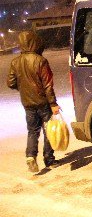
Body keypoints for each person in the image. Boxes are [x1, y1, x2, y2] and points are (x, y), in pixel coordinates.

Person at [6, 31, 61, 173]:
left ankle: (30, 156)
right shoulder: (40, 61)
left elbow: (10, 83)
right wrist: (53, 104)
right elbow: (47, 85)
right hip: (43, 103)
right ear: (35, 42)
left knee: (32, 131)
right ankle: (49, 160)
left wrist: (24, 89)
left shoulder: (15, 62)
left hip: (28, 104)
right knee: (49, 131)